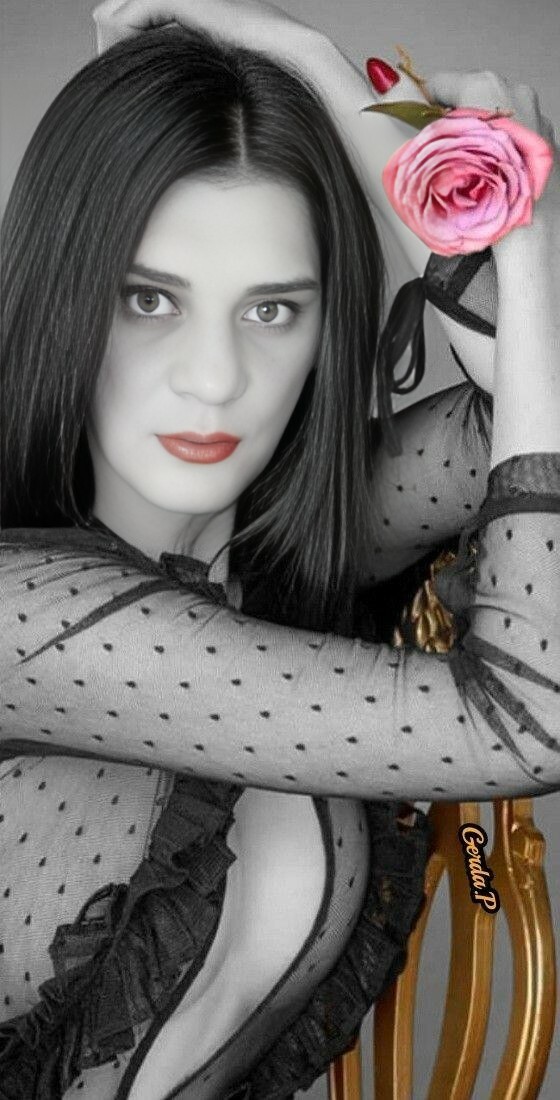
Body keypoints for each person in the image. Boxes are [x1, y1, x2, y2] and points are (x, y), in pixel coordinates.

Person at [0, 11, 559, 1100]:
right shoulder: (24, 613)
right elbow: (528, 715)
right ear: (66, 291)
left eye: (271, 310)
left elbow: (526, 419)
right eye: (149, 299)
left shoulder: (264, 552)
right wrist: (526, 257)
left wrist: (326, 77)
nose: (214, 378)